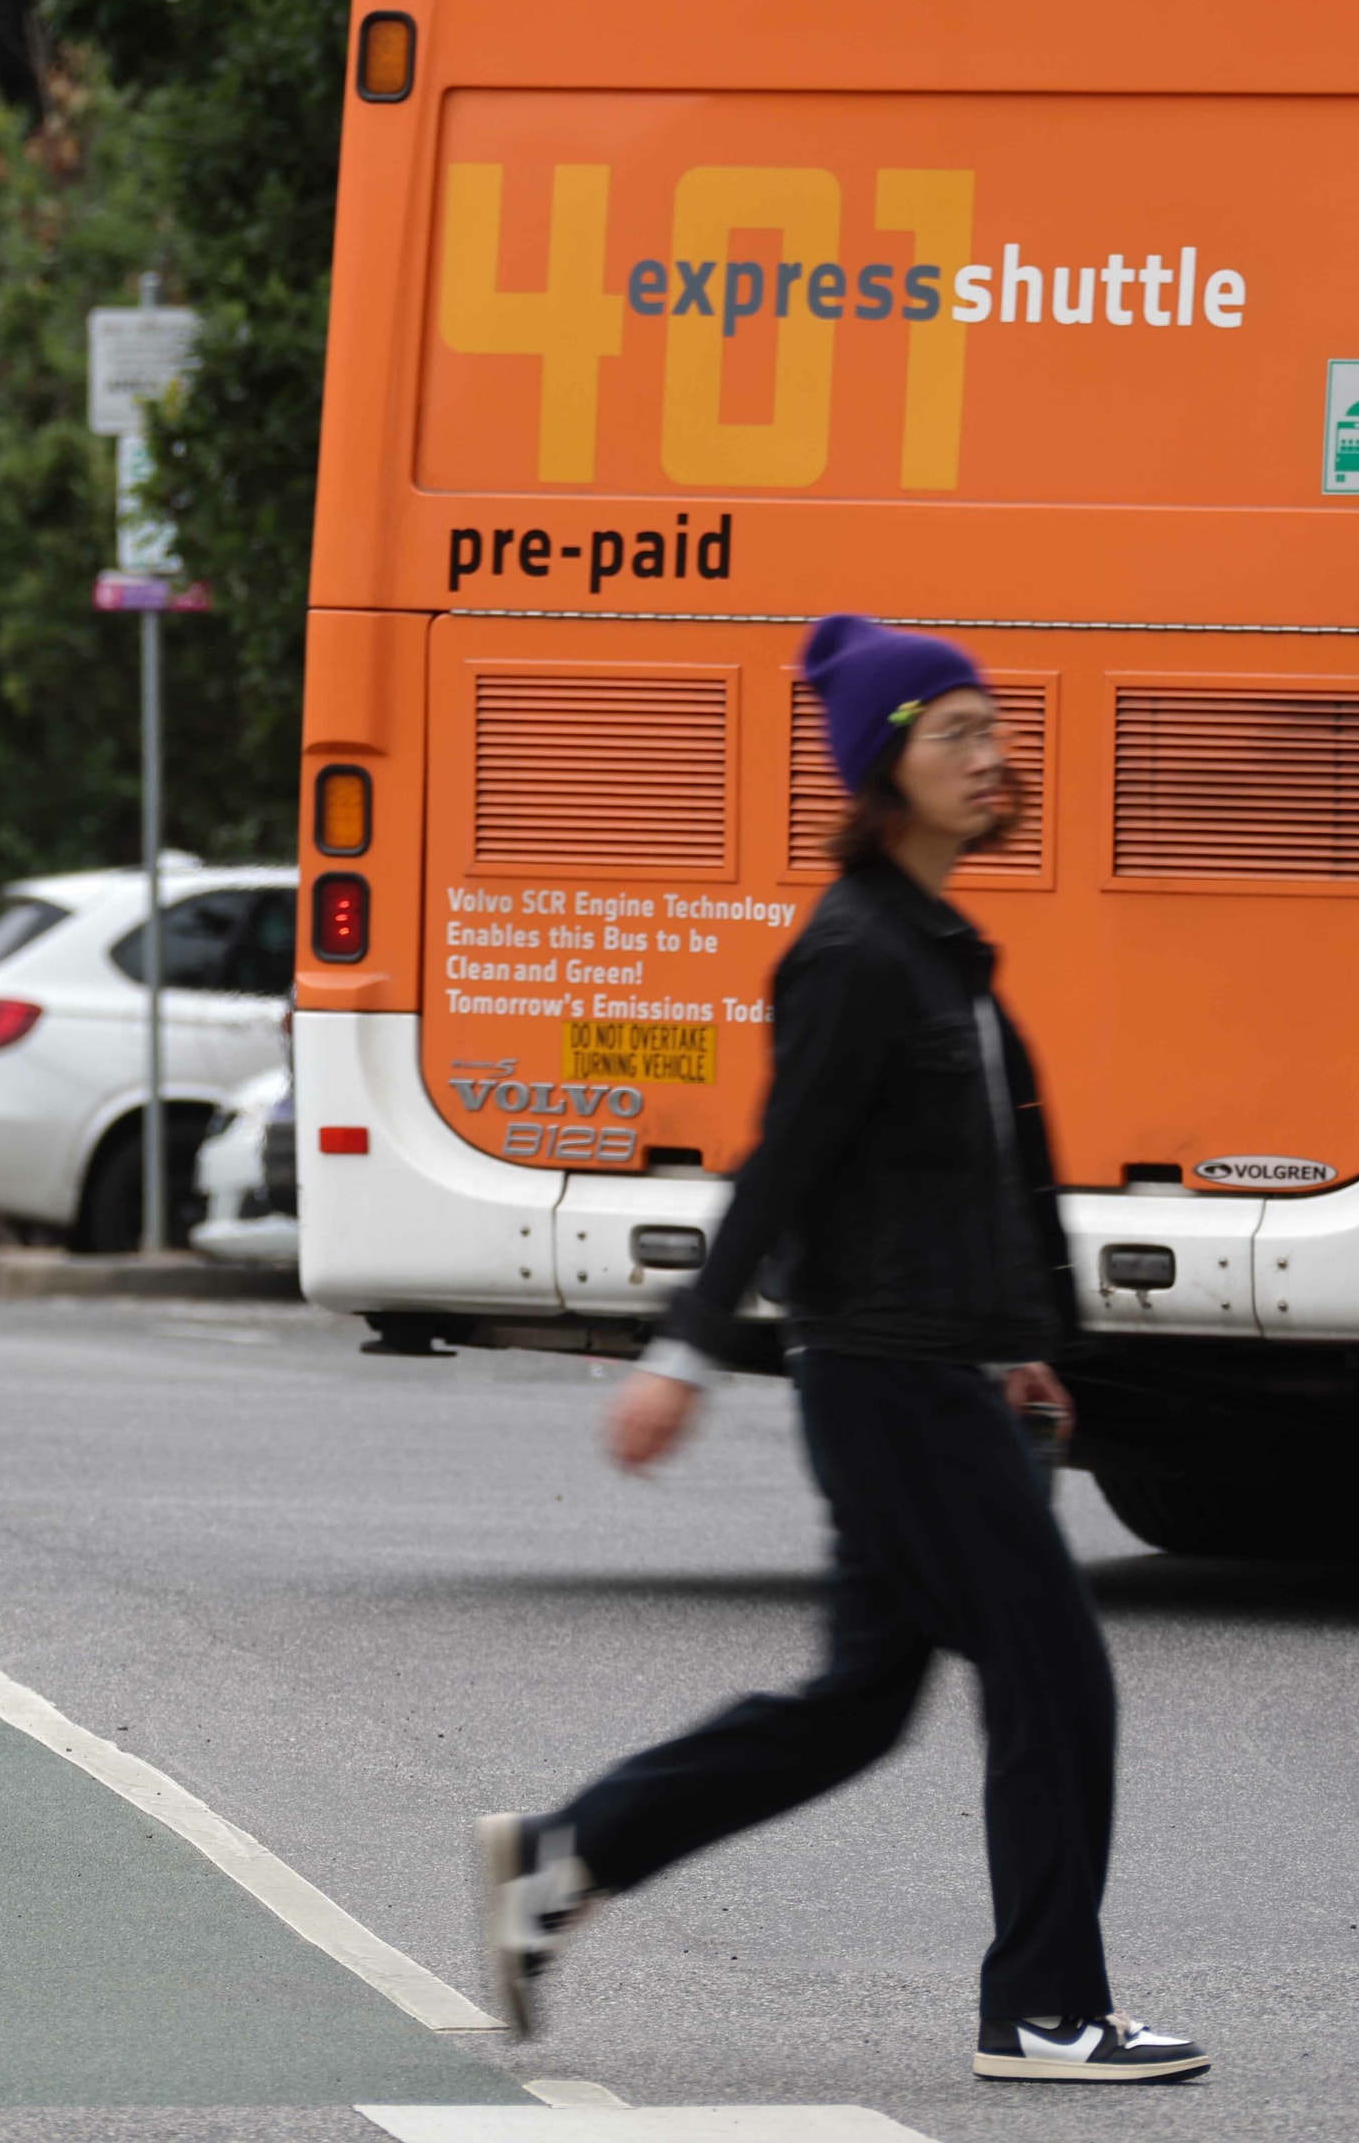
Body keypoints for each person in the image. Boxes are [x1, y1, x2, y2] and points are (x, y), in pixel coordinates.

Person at [476, 612, 1207, 2086]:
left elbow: (960, 1177)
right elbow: (781, 1165)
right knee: (1053, 1671)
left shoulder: (937, 951)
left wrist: (1022, 1342)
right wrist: (682, 1350)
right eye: (957, 734)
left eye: (993, 728)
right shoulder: (857, 955)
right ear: (886, 768)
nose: (995, 755)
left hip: (938, 1370)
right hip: (888, 1381)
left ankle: (563, 1859)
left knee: (857, 1706)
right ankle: (1046, 2008)